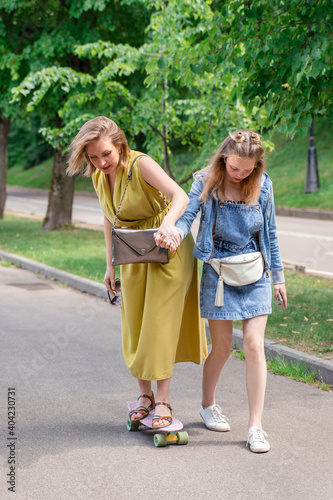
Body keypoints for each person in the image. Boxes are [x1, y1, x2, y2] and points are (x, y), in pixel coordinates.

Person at [67, 116, 207, 428]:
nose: (101, 161)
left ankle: (164, 401)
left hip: (165, 250)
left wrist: (169, 223)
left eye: (106, 154)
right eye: (92, 156)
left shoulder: (141, 165)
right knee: (135, 326)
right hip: (131, 253)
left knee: (158, 325)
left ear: (120, 145)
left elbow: (181, 196)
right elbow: (109, 219)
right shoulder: (98, 176)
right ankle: (144, 398)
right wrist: (109, 264)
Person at [167, 129, 287, 452]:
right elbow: (187, 216)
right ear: (224, 158)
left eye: (247, 170)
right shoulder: (206, 180)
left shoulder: (264, 185)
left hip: (256, 272)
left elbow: (270, 232)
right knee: (221, 348)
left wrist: (279, 278)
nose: (240, 174)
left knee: (253, 344)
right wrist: (175, 234)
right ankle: (207, 404)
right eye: (235, 168)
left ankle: (255, 427)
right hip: (219, 273)